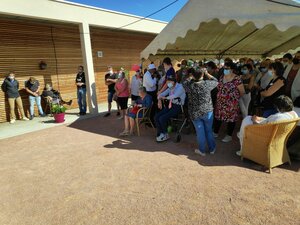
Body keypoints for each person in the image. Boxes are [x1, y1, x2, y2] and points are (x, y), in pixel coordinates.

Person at [183, 68, 218, 156]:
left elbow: (184, 82)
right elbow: (216, 80)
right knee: (209, 131)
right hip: (207, 111)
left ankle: (202, 151)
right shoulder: (207, 84)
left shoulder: (189, 85)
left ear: (192, 75)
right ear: (202, 75)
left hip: (195, 113)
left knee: (200, 132)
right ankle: (212, 149)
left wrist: (191, 76)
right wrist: (206, 73)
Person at [214, 62, 245, 143]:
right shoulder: (221, 77)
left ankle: (229, 135)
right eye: (224, 68)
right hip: (220, 102)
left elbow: (242, 91)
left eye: (227, 68)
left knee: (231, 119)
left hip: (232, 103)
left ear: (232, 69)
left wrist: (234, 98)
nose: (225, 70)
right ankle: (215, 132)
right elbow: (219, 87)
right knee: (218, 117)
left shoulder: (237, 79)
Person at [155, 76, 186, 142]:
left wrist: (165, 98)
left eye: (169, 82)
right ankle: (161, 133)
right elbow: (161, 94)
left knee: (162, 118)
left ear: (174, 82)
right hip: (171, 105)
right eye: (167, 82)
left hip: (178, 107)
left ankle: (165, 134)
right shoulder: (170, 87)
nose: (167, 83)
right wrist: (159, 100)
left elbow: (175, 95)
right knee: (156, 116)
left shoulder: (180, 87)